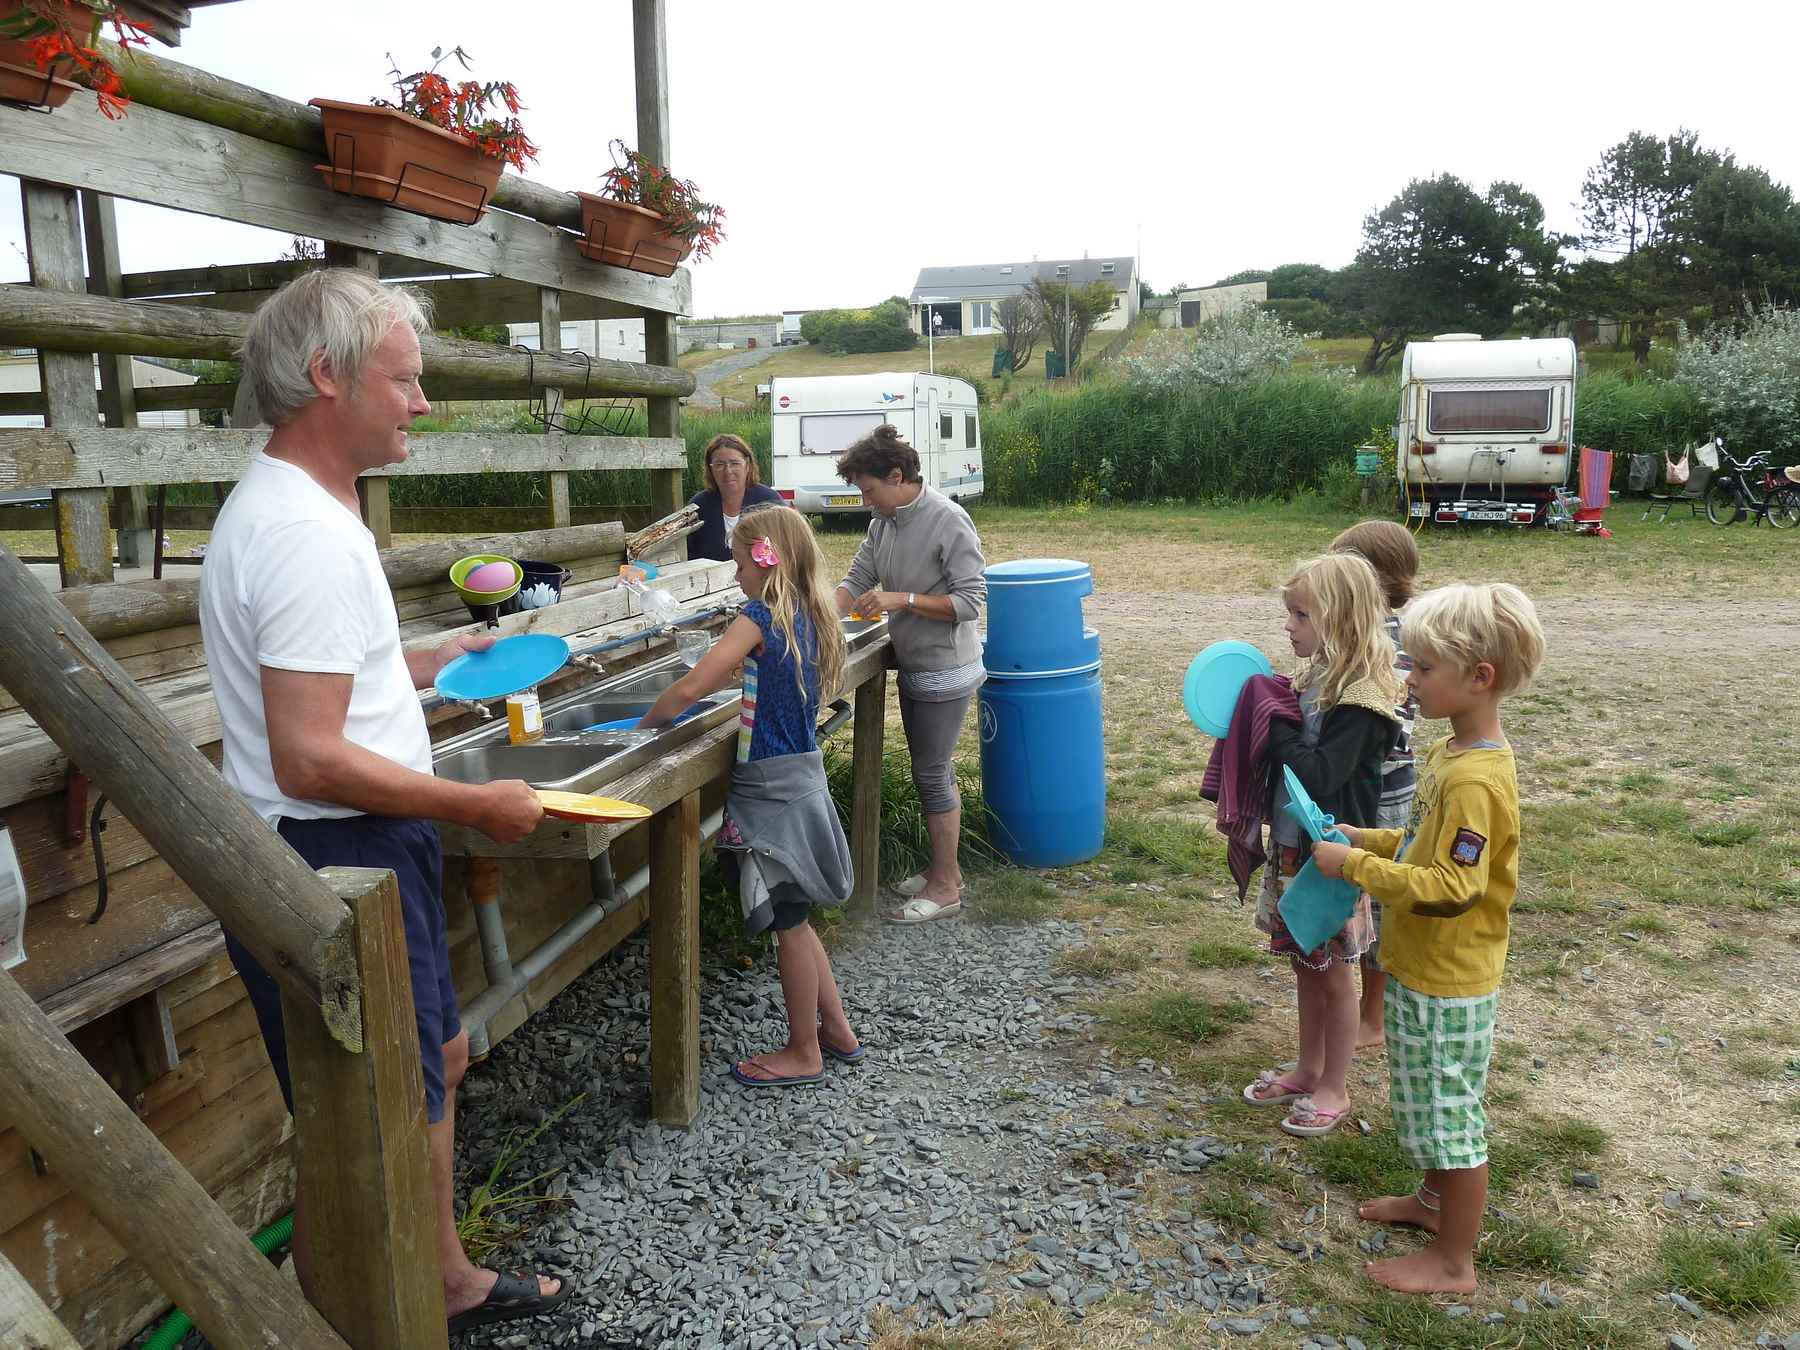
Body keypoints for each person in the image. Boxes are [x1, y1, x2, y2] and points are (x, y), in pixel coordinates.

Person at [198, 268, 565, 1334]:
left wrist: (418, 659)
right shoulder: (305, 536)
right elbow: (309, 757)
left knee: (427, 1061)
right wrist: (474, 807)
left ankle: (433, 1279)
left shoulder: (300, 507)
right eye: (405, 380)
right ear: (328, 375)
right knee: (375, 1112)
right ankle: (375, 1313)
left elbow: (316, 690)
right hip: (333, 852)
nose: (422, 402)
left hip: (345, 838)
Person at [1312, 582, 1546, 1296]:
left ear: (1481, 678)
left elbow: (1454, 886)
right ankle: (1432, 1203)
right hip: (1419, 968)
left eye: (1421, 668)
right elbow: (1420, 846)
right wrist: (1370, 840)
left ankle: (1454, 1263)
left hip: (1449, 977)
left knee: (1451, 1116)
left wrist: (1357, 868)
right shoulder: (1452, 754)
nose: (1408, 681)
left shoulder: (1478, 780)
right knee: (1427, 1102)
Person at [637, 505, 859, 1086]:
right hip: (800, 774)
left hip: (770, 787)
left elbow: (691, 685)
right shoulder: (812, 612)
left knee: (787, 921)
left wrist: (640, 728)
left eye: (738, 563)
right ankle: (836, 1030)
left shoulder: (759, 616)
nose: (734, 576)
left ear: (765, 560)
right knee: (797, 915)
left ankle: (804, 1051)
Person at [1242, 553, 1401, 1138]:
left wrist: (1274, 721)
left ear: (1339, 620)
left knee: (1333, 971)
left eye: (1300, 615)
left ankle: (1335, 1084)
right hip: (1295, 849)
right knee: (1304, 962)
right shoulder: (1315, 682)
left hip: (1332, 863)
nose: (1289, 626)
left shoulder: (1362, 703)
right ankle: (1308, 1068)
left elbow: (1317, 774)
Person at [833, 424, 988, 923]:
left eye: (869, 490)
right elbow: (856, 579)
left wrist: (903, 600)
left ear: (897, 476)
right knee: (932, 771)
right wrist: (815, 616)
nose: (865, 501)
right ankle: (946, 870)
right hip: (916, 664)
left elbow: (971, 602)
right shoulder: (884, 522)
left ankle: (945, 887)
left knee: (931, 773)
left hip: (947, 666)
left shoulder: (948, 519)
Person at [1330, 520, 1421, 1051]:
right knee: (1377, 898)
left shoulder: (1375, 639)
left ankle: (1372, 1018)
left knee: (1373, 898)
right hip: (1398, 785)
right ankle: (1369, 1013)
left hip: (1375, 790)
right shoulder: (1411, 632)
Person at [687, 432, 781, 562]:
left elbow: (789, 549)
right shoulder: (698, 507)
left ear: (747, 465)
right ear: (710, 469)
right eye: (719, 465)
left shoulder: (769, 502)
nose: (728, 471)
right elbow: (688, 556)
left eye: (734, 463)